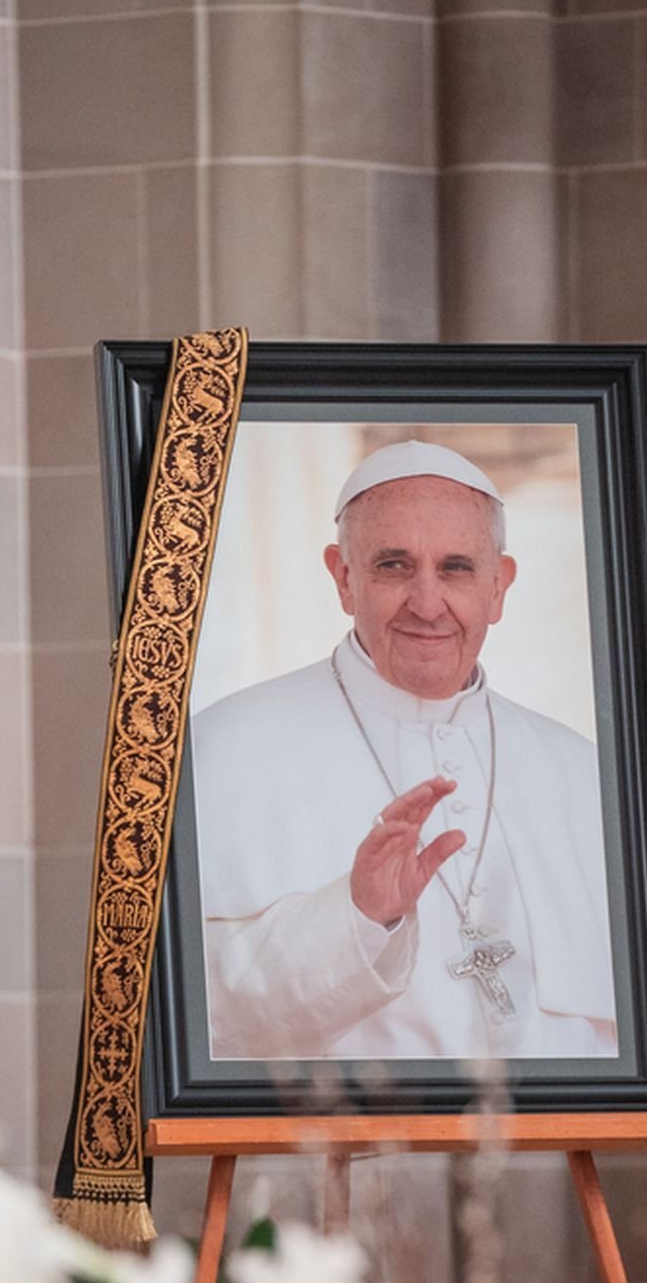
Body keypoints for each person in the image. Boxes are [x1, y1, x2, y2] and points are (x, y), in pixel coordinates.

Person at [190, 439, 618, 1063]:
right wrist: (358, 917)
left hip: (547, 1146)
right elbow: (193, 1020)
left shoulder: (581, 772)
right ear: (343, 577)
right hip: (333, 1151)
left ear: (499, 586)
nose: (426, 602)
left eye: (456, 569)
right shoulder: (221, 749)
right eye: (393, 565)